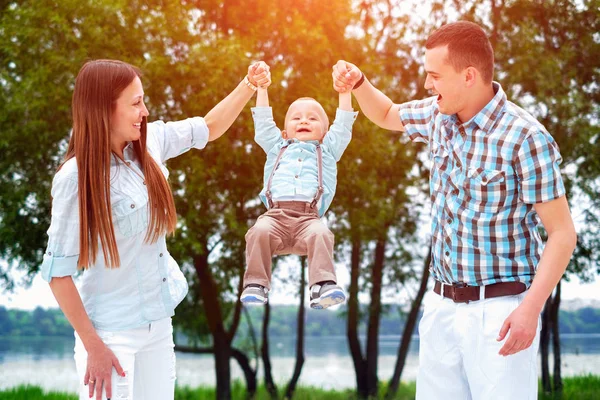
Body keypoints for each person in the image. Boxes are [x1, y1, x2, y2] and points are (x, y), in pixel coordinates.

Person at [332, 21, 577, 399]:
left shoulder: (526, 137)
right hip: (441, 308)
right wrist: (361, 83)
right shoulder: (438, 117)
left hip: (501, 312)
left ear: (468, 75)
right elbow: (387, 115)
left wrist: (530, 309)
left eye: (434, 76)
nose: (428, 86)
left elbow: (562, 235)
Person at [41, 59, 270, 400]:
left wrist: (249, 86)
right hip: (110, 334)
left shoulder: (149, 146)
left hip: (158, 323)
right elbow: (58, 274)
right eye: (135, 103)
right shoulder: (75, 178)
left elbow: (209, 126)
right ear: (104, 108)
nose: (144, 111)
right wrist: (94, 347)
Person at [240, 65, 359, 309]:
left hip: (308, 218)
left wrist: (345, 92)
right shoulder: (277, 146)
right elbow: (263, 123)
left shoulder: (327, 150)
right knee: (257, 232)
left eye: (312, 118)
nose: (304, 120)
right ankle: (256, 284)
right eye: (296, 117)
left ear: (325, 133)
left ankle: (322, 286)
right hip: (275, 216)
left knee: (322, 234)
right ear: (284, 131)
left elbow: (344, 125)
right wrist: (262, 88)